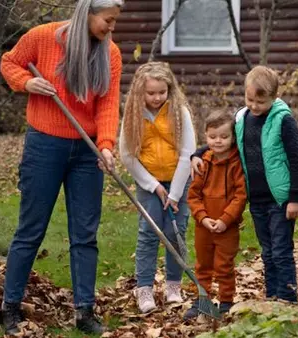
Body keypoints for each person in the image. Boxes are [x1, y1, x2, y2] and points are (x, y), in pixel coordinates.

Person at [0, 0, 123, 334]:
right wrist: (27, 83)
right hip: (45, 146)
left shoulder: (110, 53)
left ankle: (84, 312)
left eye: (114, 23)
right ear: (89, 13)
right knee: (30, 229)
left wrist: (107, 146)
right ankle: (9, 307)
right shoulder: (43, 36)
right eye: (107, 21)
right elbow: (10, 62)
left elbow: (108, 103)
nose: (111, 28)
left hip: (87, 151)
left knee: (85, 234)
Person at [191, 65, 298, 304]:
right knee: (267, 251)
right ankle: (272, 295)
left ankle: (287, 298)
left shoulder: (283, 121)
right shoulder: (242, 119)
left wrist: (295, 198)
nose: (254, 106)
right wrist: (198, 153)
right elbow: (223, 140)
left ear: (274, 97)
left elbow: (297, 160)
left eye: (260, 101)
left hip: (280, 198)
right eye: (250, 99)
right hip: (257, 199)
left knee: (281, 251)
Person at [119, 62, 196, 314]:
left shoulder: (179, 111)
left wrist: (174, 193)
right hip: (149, 183)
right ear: (140, 92)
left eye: (161, 92)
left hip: (179, 180)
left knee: (176, 232)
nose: (156, 98)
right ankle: (144, 289)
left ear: (169, 90)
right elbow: (128, 155)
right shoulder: (133, 114)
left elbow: (188, 153)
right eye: (151, 93)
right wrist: (153, 185)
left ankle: (174, 286)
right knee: (149, 233)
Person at [183, 110, 247, 320]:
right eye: (212, 137)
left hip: (226, 227)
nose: (218, 141)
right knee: (203, 265)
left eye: (223, 136)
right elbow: (193, 196)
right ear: (205, 136)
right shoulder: (203, 162)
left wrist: (225, 220)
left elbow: (240, 196)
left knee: (224, 265)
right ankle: (202, 300)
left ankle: (226, 301)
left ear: (232, 137)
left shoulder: (237, 163)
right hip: (204, 226)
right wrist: (202, 217)